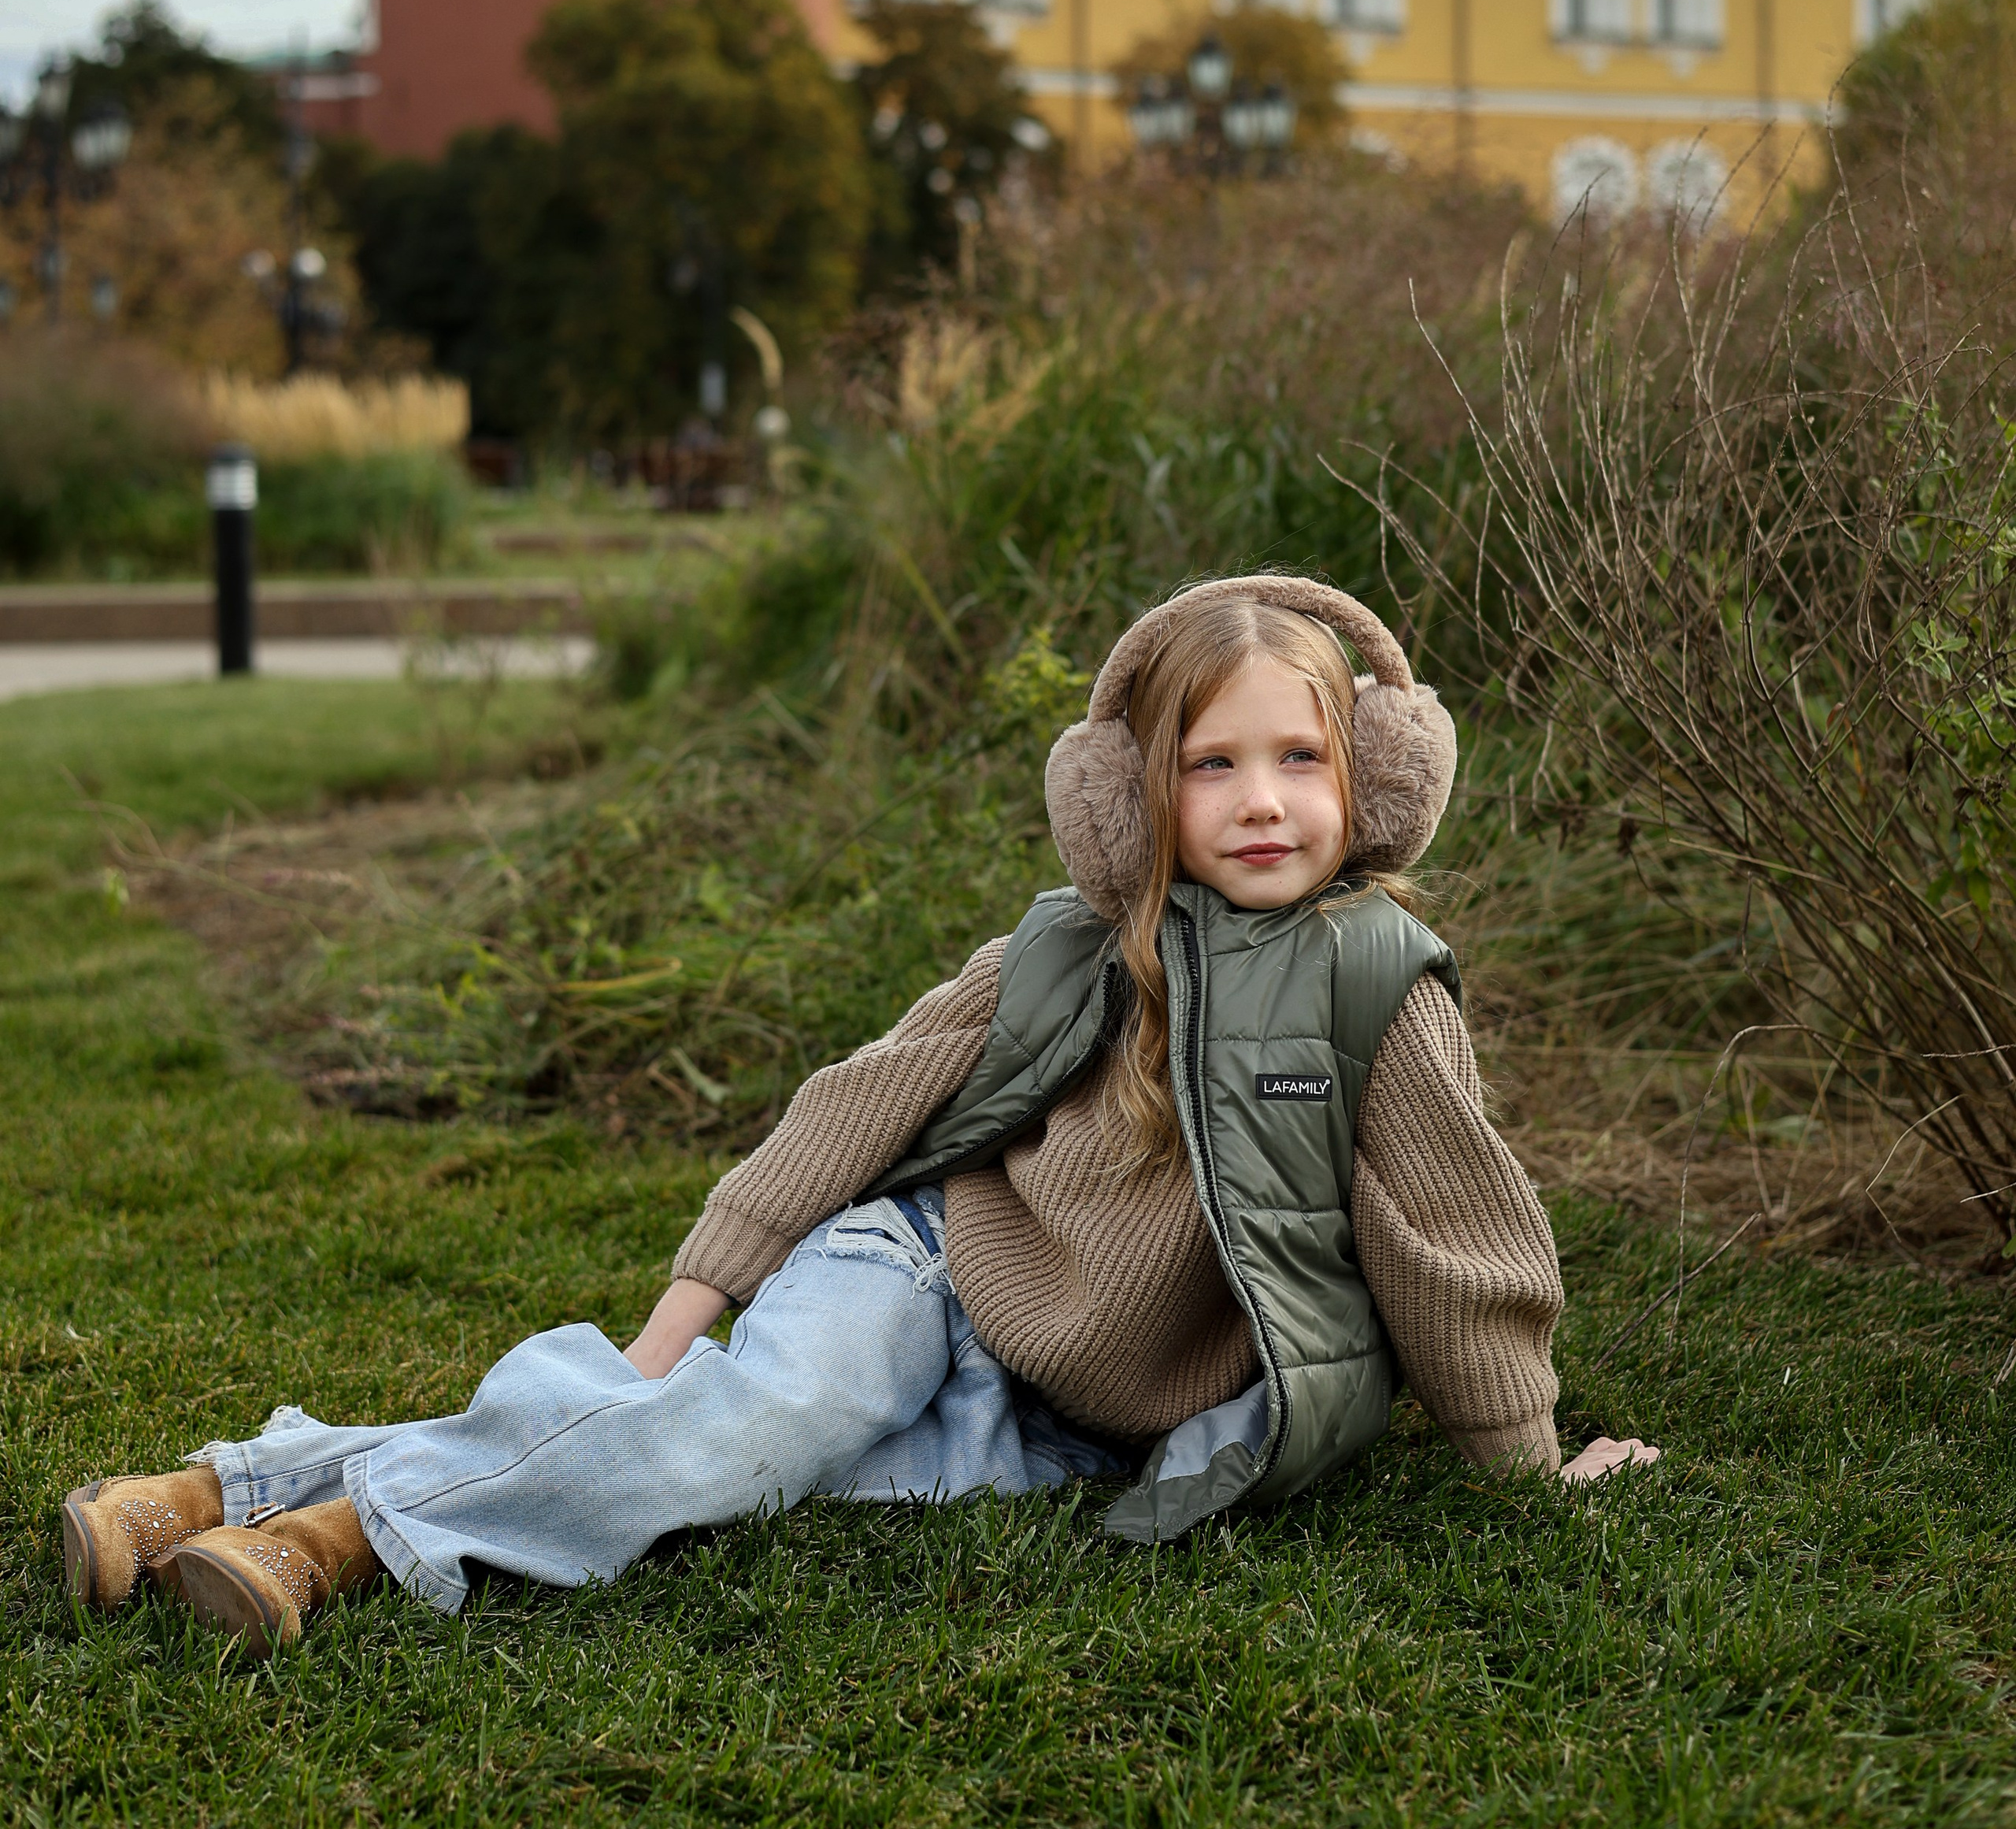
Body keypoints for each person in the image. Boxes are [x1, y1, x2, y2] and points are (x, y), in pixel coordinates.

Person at [62, 576, 1656, 1657]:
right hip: (921, 1274)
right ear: (1123, 795)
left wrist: (1522, 1459)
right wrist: (676, 1319)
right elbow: (847, 1114)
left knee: (717, 1475)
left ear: (1374, 775)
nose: (1259, 799)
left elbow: (1454, 1244)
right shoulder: (1059, 948)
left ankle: (221, 1492)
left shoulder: (1379, 989)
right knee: (721, 1419)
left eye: (1300, 758)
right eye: (1209, 763)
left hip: (1063, 1426)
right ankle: (331, 1547)